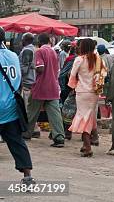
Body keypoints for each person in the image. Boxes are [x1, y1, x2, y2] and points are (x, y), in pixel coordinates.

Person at [0, 27, 35, 185]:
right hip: (11, 108)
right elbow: (18, 80)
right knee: (16, 142)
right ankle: (27, 176)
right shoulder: (13, 55)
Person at [67, 38, 106, 157]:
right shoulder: (99, 60)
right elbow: (104, 74)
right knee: (90, 116)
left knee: (83, 118)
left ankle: (88, 146)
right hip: (94, 92)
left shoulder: (79, 60)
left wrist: (72, 86)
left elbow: (72, 75)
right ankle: (87, 144)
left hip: (82, 92)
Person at [25, 33, 65, 147]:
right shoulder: (54, 52)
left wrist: (33, 67)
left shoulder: (39, 51)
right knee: (55, 114)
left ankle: (27, 133)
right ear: (49, 41)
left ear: (39, 41)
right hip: (53, 86)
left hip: (40, 86)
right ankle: (59, 137)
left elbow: (40, 68)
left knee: (32, 112)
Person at [18, 33, 40, 139]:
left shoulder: (27, 50)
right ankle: (34, 128)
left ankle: (32, 129)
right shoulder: (34, 49)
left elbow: (25, 69)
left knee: (26, 107)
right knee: (29, 107)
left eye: (22, 39)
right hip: (33, 81)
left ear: (25, 40)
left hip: (28, 82)